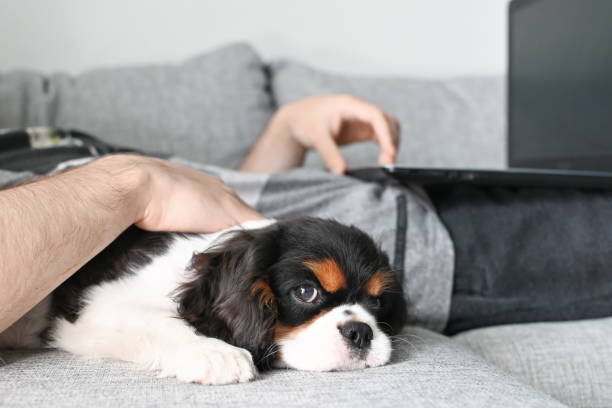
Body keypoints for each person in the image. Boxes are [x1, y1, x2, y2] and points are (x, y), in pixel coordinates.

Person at [3, 95, 612, 337]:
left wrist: (286, 133)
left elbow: (209, 214)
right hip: (442, 249)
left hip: (395, 195)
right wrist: (131, 179)